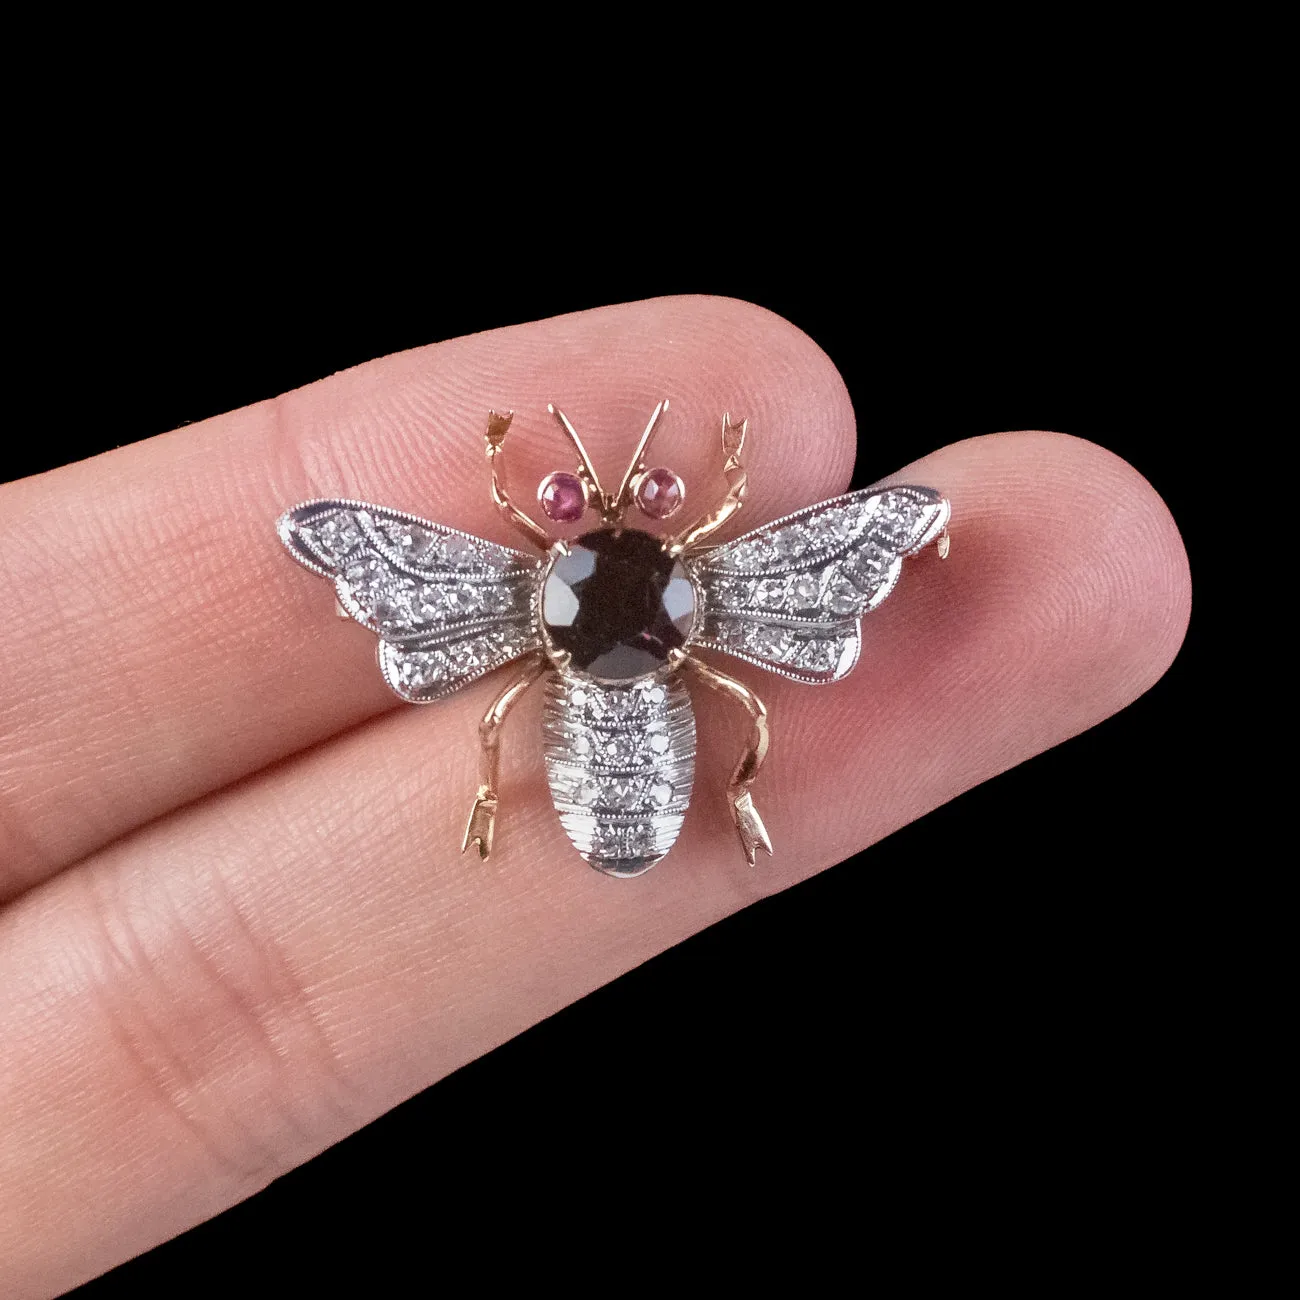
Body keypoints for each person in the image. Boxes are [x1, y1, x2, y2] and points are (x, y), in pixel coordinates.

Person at [0, 296, 1191, 1295]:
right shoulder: (617, 575)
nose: (607, 519)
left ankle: (660, 806)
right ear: (558, 520)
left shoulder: (604, 575)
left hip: (623, 728)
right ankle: (693, 807)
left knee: (625, 713)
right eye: (574, 507)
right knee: (692, 711)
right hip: (627, 732)